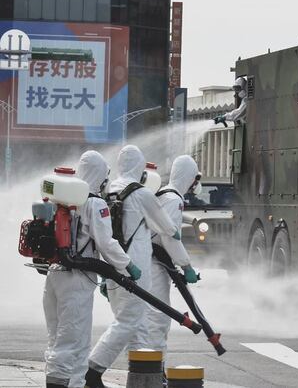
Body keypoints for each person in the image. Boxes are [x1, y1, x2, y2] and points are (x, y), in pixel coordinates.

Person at [86, 145, 179, 388]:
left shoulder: (108, 191)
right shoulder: (142, 194)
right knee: (128, 322)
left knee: (134, 324)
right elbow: (167, 228)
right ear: (140, 168)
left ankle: (143, 377)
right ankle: (93, 371)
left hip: (113, 266)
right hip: (136, 268)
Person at [43, 151, 138, 388]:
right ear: (101, 176)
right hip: (77, 278)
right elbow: (106, 243)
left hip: (54, 275)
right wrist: (127, 265)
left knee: (56, 339)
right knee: (75, 341)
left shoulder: (61, 198)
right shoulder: (94, 202)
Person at [141, 155, 201, 355]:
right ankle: (156, 372)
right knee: (158, 319)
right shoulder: (174, 200)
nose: (195, 184)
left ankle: (146, 368)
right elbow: (169, 238)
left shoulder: (162, 193)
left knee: (145, 319)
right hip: (155, 265)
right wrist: (187, 266)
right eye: (194, 178)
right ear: (189, 178)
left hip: (147, 260)